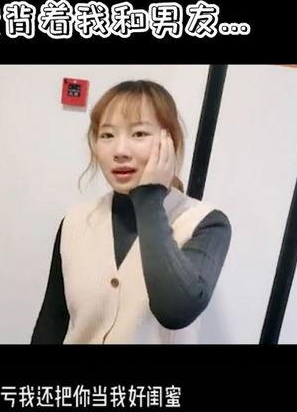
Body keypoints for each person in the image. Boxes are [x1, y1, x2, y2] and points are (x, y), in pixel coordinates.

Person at [31, 80, 231, 344]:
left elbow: (175, 310)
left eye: (138, 134)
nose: (120, 151)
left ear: (170, 141)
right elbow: (52, 321)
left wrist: (149, 199)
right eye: (107, 135)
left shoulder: (206, 223)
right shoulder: (75, 222)